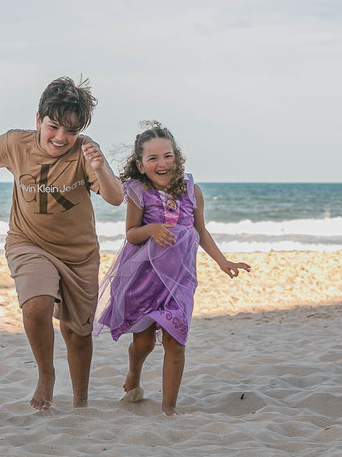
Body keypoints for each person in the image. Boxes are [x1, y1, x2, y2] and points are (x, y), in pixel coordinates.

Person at [0, 77, 123, 410]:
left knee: (78, 333)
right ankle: (46, 375)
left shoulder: (85, 152)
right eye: (53, 127)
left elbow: (115, 198)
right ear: (38, 120)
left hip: (78, 256)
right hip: (28, 242)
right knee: (36, 306)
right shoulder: (16, 144)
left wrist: (101, 168)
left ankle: (80, 401)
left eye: (71, 131)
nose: (60, 138)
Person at [94, 122, 250, 415]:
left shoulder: (193, 190)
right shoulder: (140, 192)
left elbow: (200, 231)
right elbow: (131, 234)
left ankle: (168, 409)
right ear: (140, 165)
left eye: (167, 156)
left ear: (176, 158)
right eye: (153, 159)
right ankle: (134, 374)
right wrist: (151, 228)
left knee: (175, 342)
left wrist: (222, 260)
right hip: (144, 280)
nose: (162, 163)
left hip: (179, 282)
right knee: (143, 344)